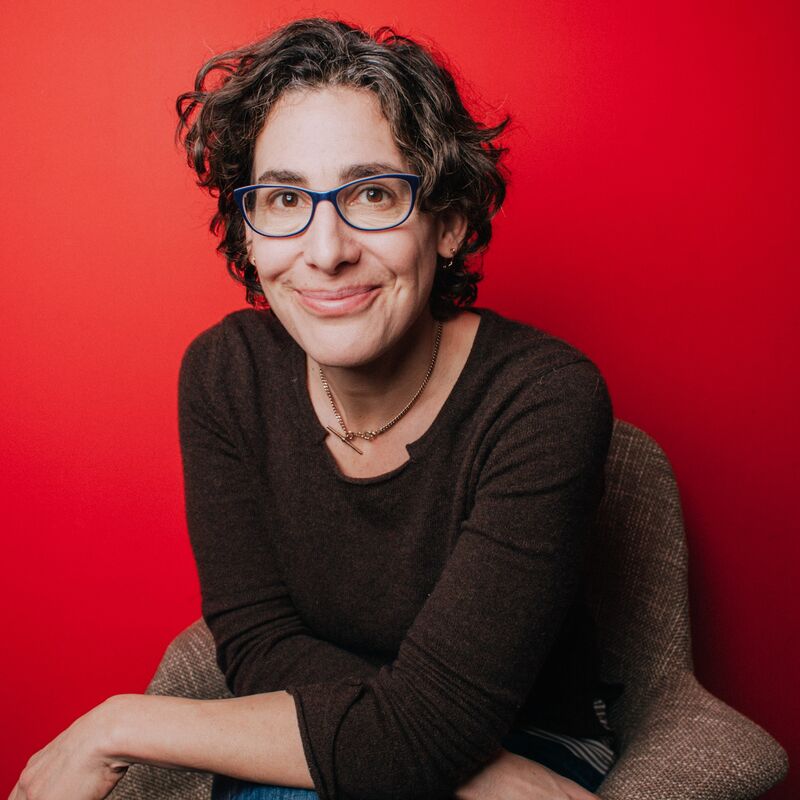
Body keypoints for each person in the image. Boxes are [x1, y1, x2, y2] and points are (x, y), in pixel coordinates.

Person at [9, 18, 620, 800]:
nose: (325, 249)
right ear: (249, 232)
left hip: (531, 736)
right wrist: (416, 735)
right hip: (382, 734)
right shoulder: (226, 374)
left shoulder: (544, 398)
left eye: (373, 193)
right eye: (285, 197)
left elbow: (427, 726)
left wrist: (117, 723)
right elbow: (260, 644)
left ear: (451, 221)